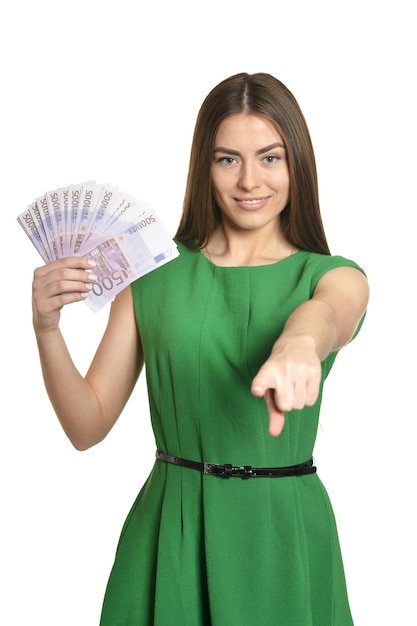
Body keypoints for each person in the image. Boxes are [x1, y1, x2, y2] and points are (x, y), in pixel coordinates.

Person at [32, 72, 369, 625]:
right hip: (173, 528)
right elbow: (85, 426)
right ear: (204, 167)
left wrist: (299, 344)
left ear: (297, 165)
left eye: (270, 157)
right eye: (227, 159)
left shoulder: (332, 276)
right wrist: (46, 328)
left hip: (282, 534)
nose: (249, 180)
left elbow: (327, 316)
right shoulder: (154, 274)